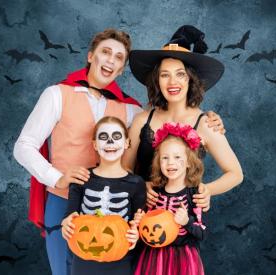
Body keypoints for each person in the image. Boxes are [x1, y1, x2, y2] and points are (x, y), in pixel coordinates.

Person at [14, 28, 223, 275]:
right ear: (91, 56)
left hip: (119, 212)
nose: (111, 60)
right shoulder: (57, 94)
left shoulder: (131, 110)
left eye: (119, 57)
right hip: (64, 201)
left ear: (122, 68)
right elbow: (23, 146)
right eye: (105, 52)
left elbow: (166, 117)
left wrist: (208, 118)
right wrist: (57, 177)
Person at [123, 25, 243, 210]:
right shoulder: (142, 120)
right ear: (157, 81)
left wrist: (206, 190)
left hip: (183, 219)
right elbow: (125, 169)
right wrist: (139, 186)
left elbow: (235, 173)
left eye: (180, 74)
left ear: (190, 79)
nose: (173, 82)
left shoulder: (206, 123)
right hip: (140, 215)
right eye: (165, 75)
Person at [61, 116, 146, 275]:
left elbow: (139, 221)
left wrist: (137, 234)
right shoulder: (82, 178)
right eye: (103, 137)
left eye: (116, 137)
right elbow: (70, 215)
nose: (110, 142)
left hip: (121, 259)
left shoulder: (136, 183)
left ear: (127, 143)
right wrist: (66, 224)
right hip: (83, 258)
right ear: (95, 144)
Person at [134, 122, 210, 275]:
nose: (170, 163)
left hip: (184, 259)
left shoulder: (195, 195)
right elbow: (145, 229)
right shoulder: (154, 193)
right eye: (165, 158)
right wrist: (139, 221)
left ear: (189, 161)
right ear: (158, 162)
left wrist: (187, 222)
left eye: (177, 157)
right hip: (154, 257)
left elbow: (202, 233)